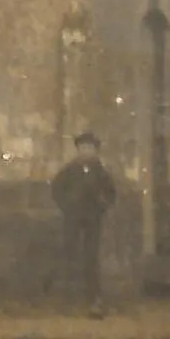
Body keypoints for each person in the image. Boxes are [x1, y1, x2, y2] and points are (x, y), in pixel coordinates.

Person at [51, 129, 117, 317]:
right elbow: (56, 190)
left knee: (91, 256)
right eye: (83, 148)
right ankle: (68, 297)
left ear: (96, 151)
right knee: (70, 254)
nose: (86, 151)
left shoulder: (100, 172)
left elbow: (111, 193)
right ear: (78, 150)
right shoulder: (69, 171)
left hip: (93, 218)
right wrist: (66, 205)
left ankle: (93, 297)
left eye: (90, 148)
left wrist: (102, 206)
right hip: (72, 218)